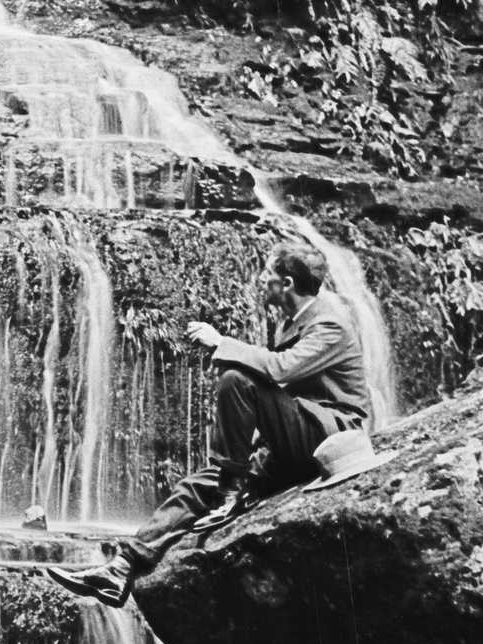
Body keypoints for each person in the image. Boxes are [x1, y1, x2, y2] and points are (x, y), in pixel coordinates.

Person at [52, 241, 369, 606]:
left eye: (268, 274)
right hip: (299, 435)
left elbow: (282, 370)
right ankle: (122, 568)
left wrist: (221, 342)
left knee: (237, 379)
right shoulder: (292, 321)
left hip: (330, 438)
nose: (261, 279)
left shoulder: (330, 322)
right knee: (201, 483)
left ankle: (231, 489)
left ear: (286, 284)